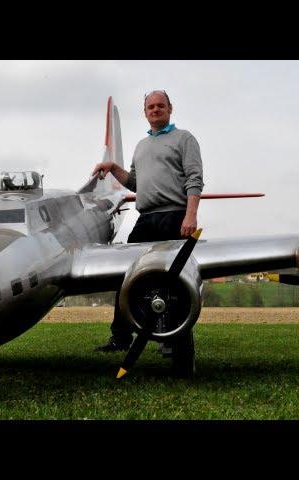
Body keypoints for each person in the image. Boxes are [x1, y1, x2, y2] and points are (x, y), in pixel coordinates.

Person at [90, 90, 204, 375]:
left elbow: (195, 178)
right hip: (146, 218)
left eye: (160, 106)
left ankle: (178, 345)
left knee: (175, 281)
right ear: (145, 112)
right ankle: (120, 337)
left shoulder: (184, 139)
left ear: (170, 108)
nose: (155, 110)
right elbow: (136, 183)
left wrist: (191, 215)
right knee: (125, 274)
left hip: (175, 216)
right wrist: (113, 167)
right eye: (151, 107)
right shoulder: (141, 146)